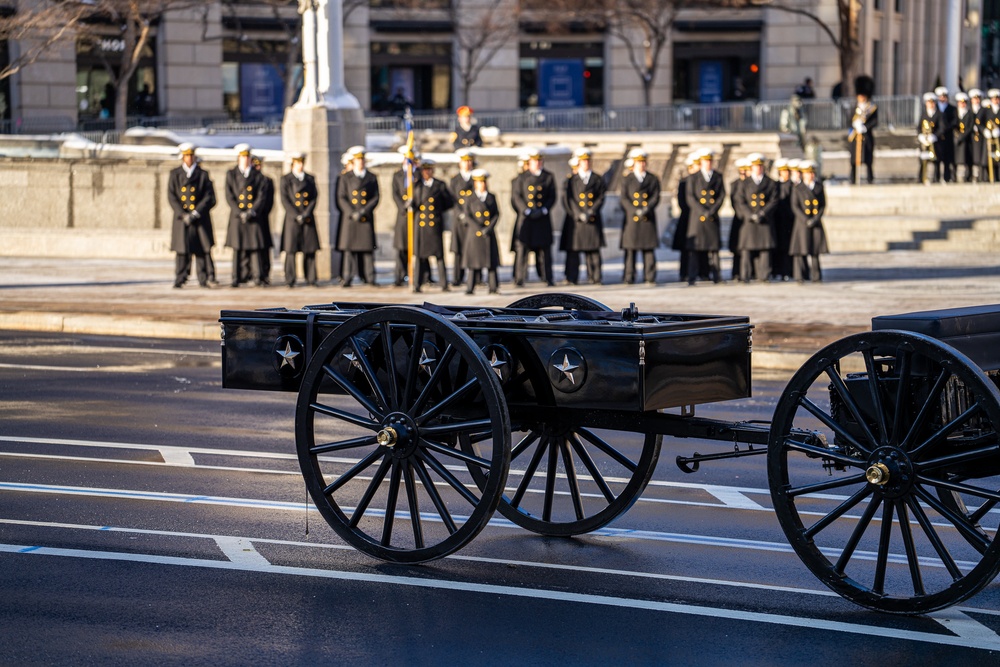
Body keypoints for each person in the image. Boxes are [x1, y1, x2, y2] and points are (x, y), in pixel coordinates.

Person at [167, 143, 216, 288]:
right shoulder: (175, 174)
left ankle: (203, 278)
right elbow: (172, 196)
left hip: (199, 218)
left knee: (201, 250)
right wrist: (183, 213)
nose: (189, 158)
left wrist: (196, 212)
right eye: (186, 155)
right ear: (182, 157)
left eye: (191, 155)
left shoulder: (203, 175)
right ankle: (180, 277)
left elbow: (209, 197)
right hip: (182, 219)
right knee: (182, 251)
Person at [510, 147, 556, 286]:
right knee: (522, 249)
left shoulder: (548, 177)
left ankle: (548, 277)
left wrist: (543, 210)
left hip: (542, 218)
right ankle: (520, 278)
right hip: (526, 218)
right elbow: (516, 196)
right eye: (534, 161)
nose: (536, 163)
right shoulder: (522, 178)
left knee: (545, 251)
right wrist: (526, 210)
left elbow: (552, 197)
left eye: (538, 161)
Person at [224, 143, 268, 287]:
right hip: (237, 216)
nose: (245, 159)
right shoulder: (231, 174)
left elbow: (261, 195)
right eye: (242, 157)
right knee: (238, 248)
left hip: (253, 216)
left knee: (255, 248)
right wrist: (239, 212)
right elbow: (229, 196)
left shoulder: (257, 175)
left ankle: (257, 276)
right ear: (238, 158)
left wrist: (252, 210)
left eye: (247, 157)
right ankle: (236, 277)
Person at [336, 145, 380, 287]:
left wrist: (364, 211)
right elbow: (341, 197)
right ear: (353, 161)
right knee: (349, 250)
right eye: (357, 160)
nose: (360, 162)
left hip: (365, 217)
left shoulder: (371, 177)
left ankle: (370, 277)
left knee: (367, 249)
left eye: (362, 160)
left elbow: (376, 197)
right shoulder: (345, 177)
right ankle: (347, 277)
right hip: (350, 218)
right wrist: (351, 212)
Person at [563, 147, 607, 285]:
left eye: (588, 160)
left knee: (593, 250)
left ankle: (595, 277)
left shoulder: (597, 179)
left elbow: (600, 197)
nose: (586, 163)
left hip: (592, 218)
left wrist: (591, 211)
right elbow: (567, 199)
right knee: (573, 252)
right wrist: (577, 213)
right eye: (583, 161)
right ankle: (572, 277)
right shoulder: (571, 180)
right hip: (576, 220)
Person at [410, 158, 455, 291]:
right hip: (421, 225)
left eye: (429, 169)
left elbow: (449, 202)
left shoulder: (439, 185)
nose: (427, 172)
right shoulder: (416, 185)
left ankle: (444, 283)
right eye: (424, 170)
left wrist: (438, 209)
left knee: (439, 256)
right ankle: (417, 284)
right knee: (419, 256)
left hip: (434, 224)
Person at [733, 153, 777, 283]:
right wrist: (749, 214)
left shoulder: (770, 182)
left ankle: (764, 275)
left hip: (764, 220)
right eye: (755, 166)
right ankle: (745, 275)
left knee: (765, 249)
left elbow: (774, 200)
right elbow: (740, 200)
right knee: (746, 249)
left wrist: (763, 213)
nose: (758, 169)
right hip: (749, 220)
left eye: (760, 166)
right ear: (751, 167)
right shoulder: (744, 183)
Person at [684, 148, 725, 285]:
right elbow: (690, 197)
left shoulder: (718, 177)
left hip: (712, 217)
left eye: (709, 161)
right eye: (705, 161)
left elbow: (721, 196)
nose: (708, 163)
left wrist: (712, 210)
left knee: (713, 249)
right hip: (697, 217)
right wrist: (702, 211)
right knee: (695, 250)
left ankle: (716, 276)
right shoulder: (693, 178)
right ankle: (692, 277)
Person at [619, 148, 660, 284]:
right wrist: (633, 210)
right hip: (632, 219)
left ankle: (650, 276)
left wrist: (646, 208)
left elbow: (655, 196)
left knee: (648, 249)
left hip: (647, 218)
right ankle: (629, 276)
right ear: (634, 163)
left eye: (643, 162)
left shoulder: (652, 179)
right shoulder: (627, 179)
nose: (641, 165)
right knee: (630, 250)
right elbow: (624, 198)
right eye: (639, 162)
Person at [279, 152, 320, 287]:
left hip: (307, 218)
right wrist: (296, 214)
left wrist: (306, 213)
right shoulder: (286, 179)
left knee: (309, 249)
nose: (300, 165)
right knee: (290, 250)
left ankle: (311, 278)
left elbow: (314, 197)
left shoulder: (309, 178)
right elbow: (285, 199)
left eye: (302, 162)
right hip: (292, 218)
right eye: (297, 163)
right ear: (293, 164)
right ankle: (290, 279)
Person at [462, 169, 501, 294]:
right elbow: (467, 216)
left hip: (488, 233)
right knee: (473, 262)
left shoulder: (491, 197)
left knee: (491, 262)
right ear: (475, 184)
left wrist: (489, 228)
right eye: (479, 182)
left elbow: (496, 214)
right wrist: (478, 228)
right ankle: (470, 287)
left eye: (483, 182)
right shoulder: (469, 198)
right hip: (474, 234)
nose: (482, 185)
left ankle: (493, 286)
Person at [788, 160, 828, 282]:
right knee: (800, 250)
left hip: (815, 221)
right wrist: (805, 219)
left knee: (815, 250)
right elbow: (795, 206)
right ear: (803, 174)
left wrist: (816, 218)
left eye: (812, 173)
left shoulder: (819, 187)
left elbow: (822, 205)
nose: (811, 175)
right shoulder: (798, 188)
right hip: (802, 223)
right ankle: (800, 275)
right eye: (808, 173)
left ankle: (816, 275)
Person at [392, 147, 421, 286]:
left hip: (416, 217)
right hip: (403, 216)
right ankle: (400, 275)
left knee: (417, 248)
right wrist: (404, 205)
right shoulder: (397, 175)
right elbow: (395, 194)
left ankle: (419, 275)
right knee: (401, 248)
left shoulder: (419, 176)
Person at [449, 149, 476, 286]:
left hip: (473, 219)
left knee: (474, 248)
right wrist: (461, 213)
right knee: (458, 249)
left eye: (469, 161)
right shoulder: (455, 180)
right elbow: (452, 199)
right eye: (465, 161)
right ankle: (457, 277)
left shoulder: (476, 179)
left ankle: (475, 278)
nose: (467, 164)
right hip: (459, 219)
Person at [672, 152, 700, 282]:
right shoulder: (685, 182)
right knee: (686, 249)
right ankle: (684, 272)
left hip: (699, 218)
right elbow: (682, 202)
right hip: (688, 219)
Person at [849, 75, 877, 185]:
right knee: (854, 159)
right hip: (855, 136)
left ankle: (870, 178)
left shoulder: (872, 108)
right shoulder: (855, 107)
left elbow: (875, 121)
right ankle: (853, 178)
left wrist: (866, 127)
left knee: (868, 158)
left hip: (866, 136)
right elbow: (850, 119)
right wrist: (855, 124)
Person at [250, 154, 275, 285]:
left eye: (259, 165)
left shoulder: (266, 180)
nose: (258, 168)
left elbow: (269, 201)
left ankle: (265, 273)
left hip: (262, 218)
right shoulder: (251, 180)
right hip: (253, 218)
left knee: (264, 247)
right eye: (255, 165)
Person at [772, 158, 794, 281]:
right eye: (783, 171)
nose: (786, 173)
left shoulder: (793, 185)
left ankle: (787, 271)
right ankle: (776, 270)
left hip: (789, 221)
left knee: (787, 247)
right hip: (776, 220)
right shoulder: (775, 185)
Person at [727, 157, 749, 281]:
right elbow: (734, 202)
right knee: (737, 248)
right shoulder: (735, 184)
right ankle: (736, 272)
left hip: (749, 220)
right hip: (740, 219)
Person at [918, 92, 944, 184]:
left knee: (936, 160)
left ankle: (936, 178)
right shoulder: (924, 114)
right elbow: (919, 127)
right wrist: (920, 136)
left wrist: (935, 136)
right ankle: (921, 178)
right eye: (929, 102)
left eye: (932, 102)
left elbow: (941, 128)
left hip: (935, 142)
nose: (931, 104)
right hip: (925, 142)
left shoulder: (939, 114)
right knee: (923, 160)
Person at [954, 93, 979, 182]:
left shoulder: (969, 113)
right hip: (957, 139)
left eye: (964, 102)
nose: (962, 104)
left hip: (967, 140)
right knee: (956, 159)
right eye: (961, 102)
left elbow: (970, 126)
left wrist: (963, 136)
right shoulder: (955, 112)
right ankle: (955, 176)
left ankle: (969, 175)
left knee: (968, 158)